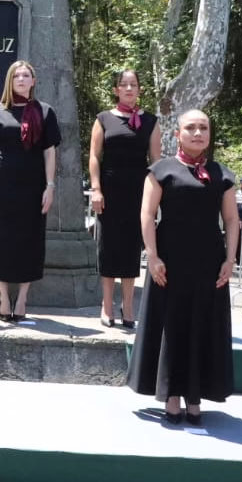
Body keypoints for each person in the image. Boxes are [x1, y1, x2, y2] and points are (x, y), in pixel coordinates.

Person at [129, 109, 239, 426]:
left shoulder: (222, 174)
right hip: (170, 263)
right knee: (172, 325)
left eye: (204, 127)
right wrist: (152, 257)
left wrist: (230, 259)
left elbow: (232, 219)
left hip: (209, 263)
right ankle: (172, 395)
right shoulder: (160, 170)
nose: (198, 133)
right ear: (178, 134)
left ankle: (195, 396)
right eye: (191, 127)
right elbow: (147, 214)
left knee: (202, 324)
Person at [0, 60, 61, 323]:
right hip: (3, 186)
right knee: (1, 240)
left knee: (30, 240)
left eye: (26, 75)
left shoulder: (45, 112)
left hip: (33, 187)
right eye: (17, 76)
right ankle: (4, 298)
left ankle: (23, 298)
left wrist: (50, 186)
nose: (21, 79)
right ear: (10, 80)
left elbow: (50, 153)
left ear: (33, 81)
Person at [88, 69, 160, 328]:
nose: (129, 88)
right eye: (124, 84)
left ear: (139, 89)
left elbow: (156, 162)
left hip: (138, 193)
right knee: (108, 247)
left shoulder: (150, 121)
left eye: (133, 84)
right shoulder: (104, 119)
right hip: (109, 191)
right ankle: (107, 305)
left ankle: (128, 305)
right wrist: (96, 189)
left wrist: (157, 196)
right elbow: (94, 156)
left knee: (131, 248)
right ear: (116, 90)